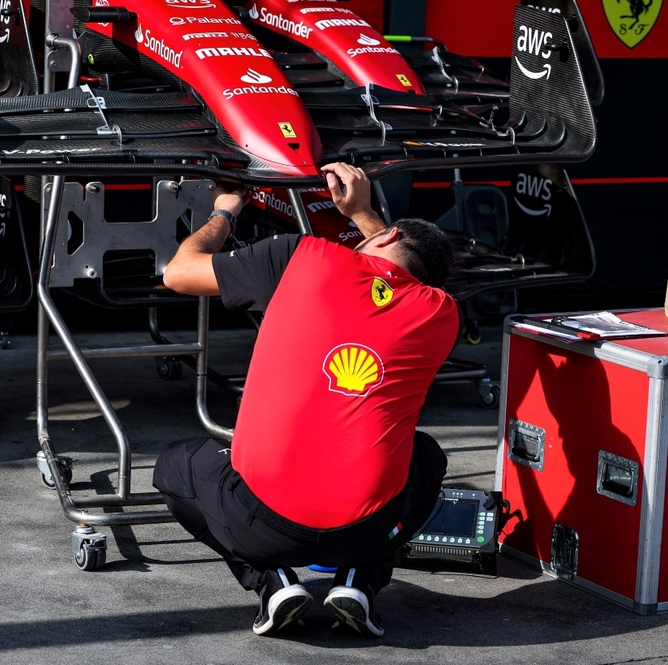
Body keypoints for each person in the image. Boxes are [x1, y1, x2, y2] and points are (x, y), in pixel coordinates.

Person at [154, 163, 459, 639]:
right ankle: (361, 582)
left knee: (176, 465)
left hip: (264, 524)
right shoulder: (440, 315)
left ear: (387, 234)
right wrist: (367, 218)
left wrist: (226, 213)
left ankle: (270, 583)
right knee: (427, 456)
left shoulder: (303, 255)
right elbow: (397, 274)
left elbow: (177, 273)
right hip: (367, 531)